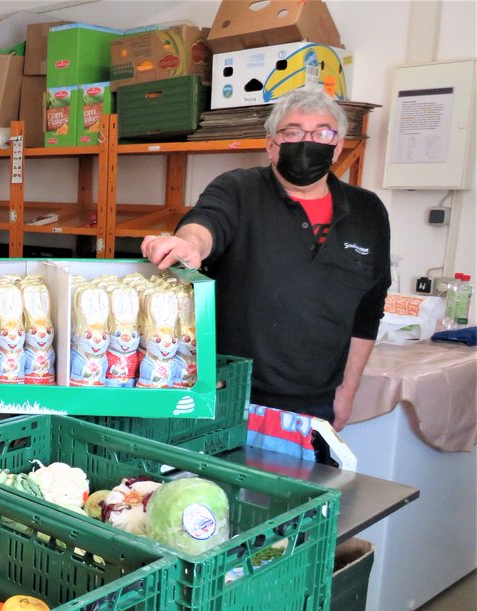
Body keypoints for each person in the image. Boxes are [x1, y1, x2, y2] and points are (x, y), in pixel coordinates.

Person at [142, 89, 390, 442]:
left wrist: (347, 392)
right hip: (231, 397)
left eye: (323, 132)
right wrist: (188, 244)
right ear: (272, 144)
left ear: (338, 147)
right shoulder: (239, 189)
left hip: (316, 406)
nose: (308, 142)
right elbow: (206, 222)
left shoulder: (368, 211)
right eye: (293, 132)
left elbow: (368, 310)